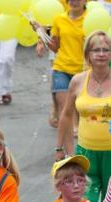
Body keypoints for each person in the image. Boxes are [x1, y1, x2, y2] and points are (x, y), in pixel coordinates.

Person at [56, 30, 111, 202]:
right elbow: (65, 115)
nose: (101, 54)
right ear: (88, 54)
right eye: (96, 50)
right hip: (85, 153)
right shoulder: (78, 81)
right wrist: (62, 149)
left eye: (106, 49)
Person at [41, 0, 87, 133]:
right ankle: (72, 131)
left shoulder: (91, 18)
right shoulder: (59, 19)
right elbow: (55, 47)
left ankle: (77, 131)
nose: (75, 2)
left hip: (82, 70)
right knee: (65, 105)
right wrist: (41, 33)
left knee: (79, 106)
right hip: (61, 68)